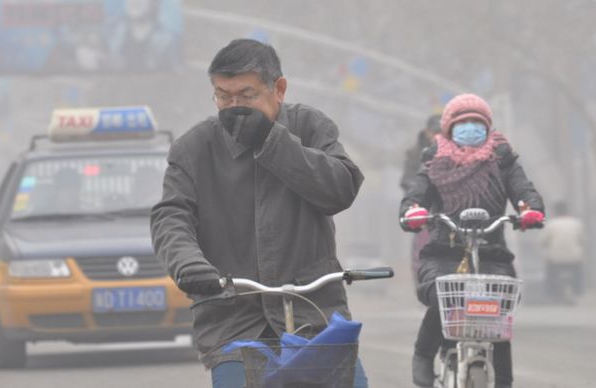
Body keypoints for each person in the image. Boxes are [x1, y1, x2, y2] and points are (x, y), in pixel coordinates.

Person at [150, 39, 366, 388]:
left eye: (246, 96)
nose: (234, 106)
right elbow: (171, 218)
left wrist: (272, 141)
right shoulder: (194, 148)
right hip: (233, 319)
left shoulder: (311, 127)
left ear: (278, 89)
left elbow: (340, 190)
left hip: (314, 314)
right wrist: (190, 265)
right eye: (223, 96)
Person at [399, 93, 545, 388]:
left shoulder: (503, 159)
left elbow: (524, 191)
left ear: (488, 127)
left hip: (493, 253)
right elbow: (415, 195)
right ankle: (423, 354)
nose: (469, 128)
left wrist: (530, 208)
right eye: (462, 122)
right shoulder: (432, 160)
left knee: (497, 315)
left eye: (476, 123)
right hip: (443, 252)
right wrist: (413, 210)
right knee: (444, 297)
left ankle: (504, 381)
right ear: (449, 127)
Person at [400, 114, 442, 287]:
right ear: (427, 132)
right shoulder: (415, 154)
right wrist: (419, 193)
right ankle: (424, 286)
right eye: (435, 132)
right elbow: (406, 180)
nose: (438, 136)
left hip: (447, 212)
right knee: (422, 250)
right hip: (424, 212)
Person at [540, 201, 585, 304]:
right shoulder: (576, 223)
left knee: (550, 274)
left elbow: (542, 241)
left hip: (556, 259)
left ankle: (552, 294)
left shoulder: (551, 224)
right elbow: (583, 240)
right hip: (574, 258)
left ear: (556, 212)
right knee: (578, 274)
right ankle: (578, 291)